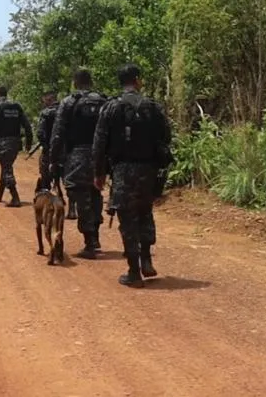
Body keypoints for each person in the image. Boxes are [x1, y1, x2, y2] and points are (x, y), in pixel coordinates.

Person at [93, 63, 172, 288]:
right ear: (137, 80)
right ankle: (146, 258)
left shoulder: (111, 107)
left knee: (127, 219)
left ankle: (134, 272)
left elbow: (99, 143)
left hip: (122, 171)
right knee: (145, 212)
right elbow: (166, 136)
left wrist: (98, 173)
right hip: (149, 171)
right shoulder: (152, 107)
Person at [49, 69, 107, 259]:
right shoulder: (103, 101)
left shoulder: (69, 102)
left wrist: (53, 159)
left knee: (80, 194)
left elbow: (58, 133)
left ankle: (90, 241)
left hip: (78, 155)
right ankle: (95, 235)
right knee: (95, 191)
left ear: (75, 82)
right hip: (100, 155)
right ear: (91, 81)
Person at [0, 85, 33, 207]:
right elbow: (27, 125)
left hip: (3, 142)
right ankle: (0, 193)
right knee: (6, 166)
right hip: (15, 143)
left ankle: (15, 197)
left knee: (7, 169)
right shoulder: (17, 106)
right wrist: (29, 142)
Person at [35, 90, 59, 192]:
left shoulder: (46, 113)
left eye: (45, 102)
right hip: (67, 151)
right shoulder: (66, 109)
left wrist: (45, 147)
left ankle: (46, 192)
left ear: (49, 100)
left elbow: (40, 133)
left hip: (50, 149)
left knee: (44, 172)